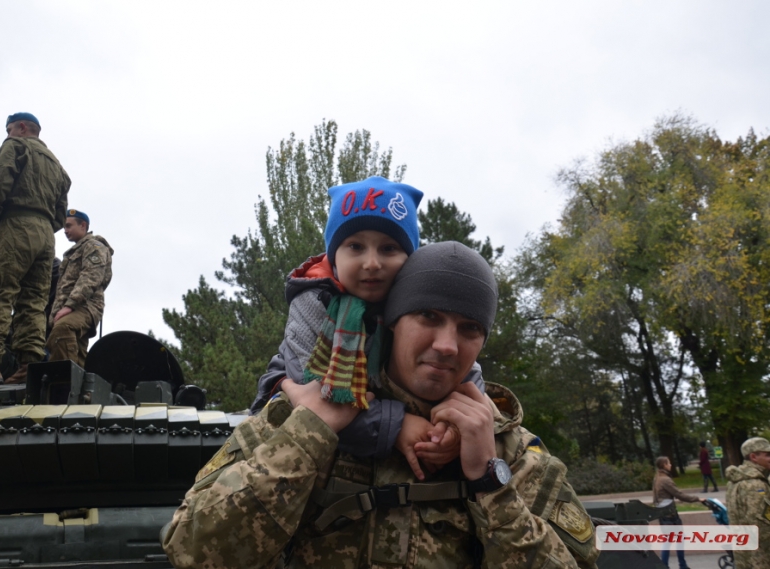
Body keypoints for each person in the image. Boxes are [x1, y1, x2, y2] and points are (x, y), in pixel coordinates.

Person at [164, 241, 599, 568]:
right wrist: (310, 434)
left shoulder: (511, 453)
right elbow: (192, 551)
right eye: (428, 317)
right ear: (391, 322)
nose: (447, 345)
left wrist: (490, 482)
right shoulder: (299, 414)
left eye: (469, 328)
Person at [250, 177, 484, 479]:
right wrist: (397, 425)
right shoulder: (313, 301)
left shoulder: (417, 307)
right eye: (355, 246)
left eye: (388, 248)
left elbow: (468, 373)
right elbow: (317, 400)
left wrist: (451, 428)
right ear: (334, 255)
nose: (372, 263)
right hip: (294, 427)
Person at [0, 112, 70, 383]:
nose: (7, 134)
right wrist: (46, 228)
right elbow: (61, 212)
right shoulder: (58, 167)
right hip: (47, 236)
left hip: (15, 226)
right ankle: (28, 367)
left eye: (9, 129)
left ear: (22, 128)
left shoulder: (15, 147)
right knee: (34, 302)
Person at [45, 209, 113, 367]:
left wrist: (69, 306)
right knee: (79, 354)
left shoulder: (94, 246)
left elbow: (91, 276)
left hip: (85, 306)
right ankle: (80, 389)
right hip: (73, 307)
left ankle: (63, 383)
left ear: (83, 226)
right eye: (64, 227)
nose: (65, 230)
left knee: (63, 329)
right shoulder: (73, 252)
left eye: (69, 226)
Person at [653, 456, 706, 569]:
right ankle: (680, 565)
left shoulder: (657, 477)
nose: (671, 465)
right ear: (664, 465)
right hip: (669, 515)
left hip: (663, 513)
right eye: (669, 463)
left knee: (669, 540)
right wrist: (697, 499)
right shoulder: (665, 480)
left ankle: (670, 565)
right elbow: (679, 495)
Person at [725, 437, 770, 569]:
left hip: (743, 553)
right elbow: (760, 523)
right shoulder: (755, 484)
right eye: (767, 455)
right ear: (753, 457)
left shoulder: (734, 481)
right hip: (760, 557)